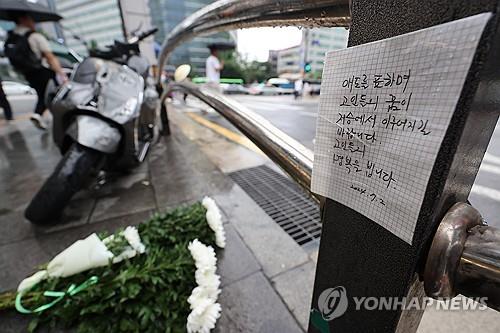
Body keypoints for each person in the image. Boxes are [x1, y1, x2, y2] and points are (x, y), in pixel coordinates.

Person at [7, 12, 67, 130]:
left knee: (42, 95)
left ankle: (39, 114)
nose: (33, 22)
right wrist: (60, 72)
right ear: (23, 19)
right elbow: (50, 57)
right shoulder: (34, 36)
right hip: (42, 72)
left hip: (28, 74)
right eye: (30, 19)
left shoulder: (12, 38)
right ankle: (58, 116)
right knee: (56, 93)